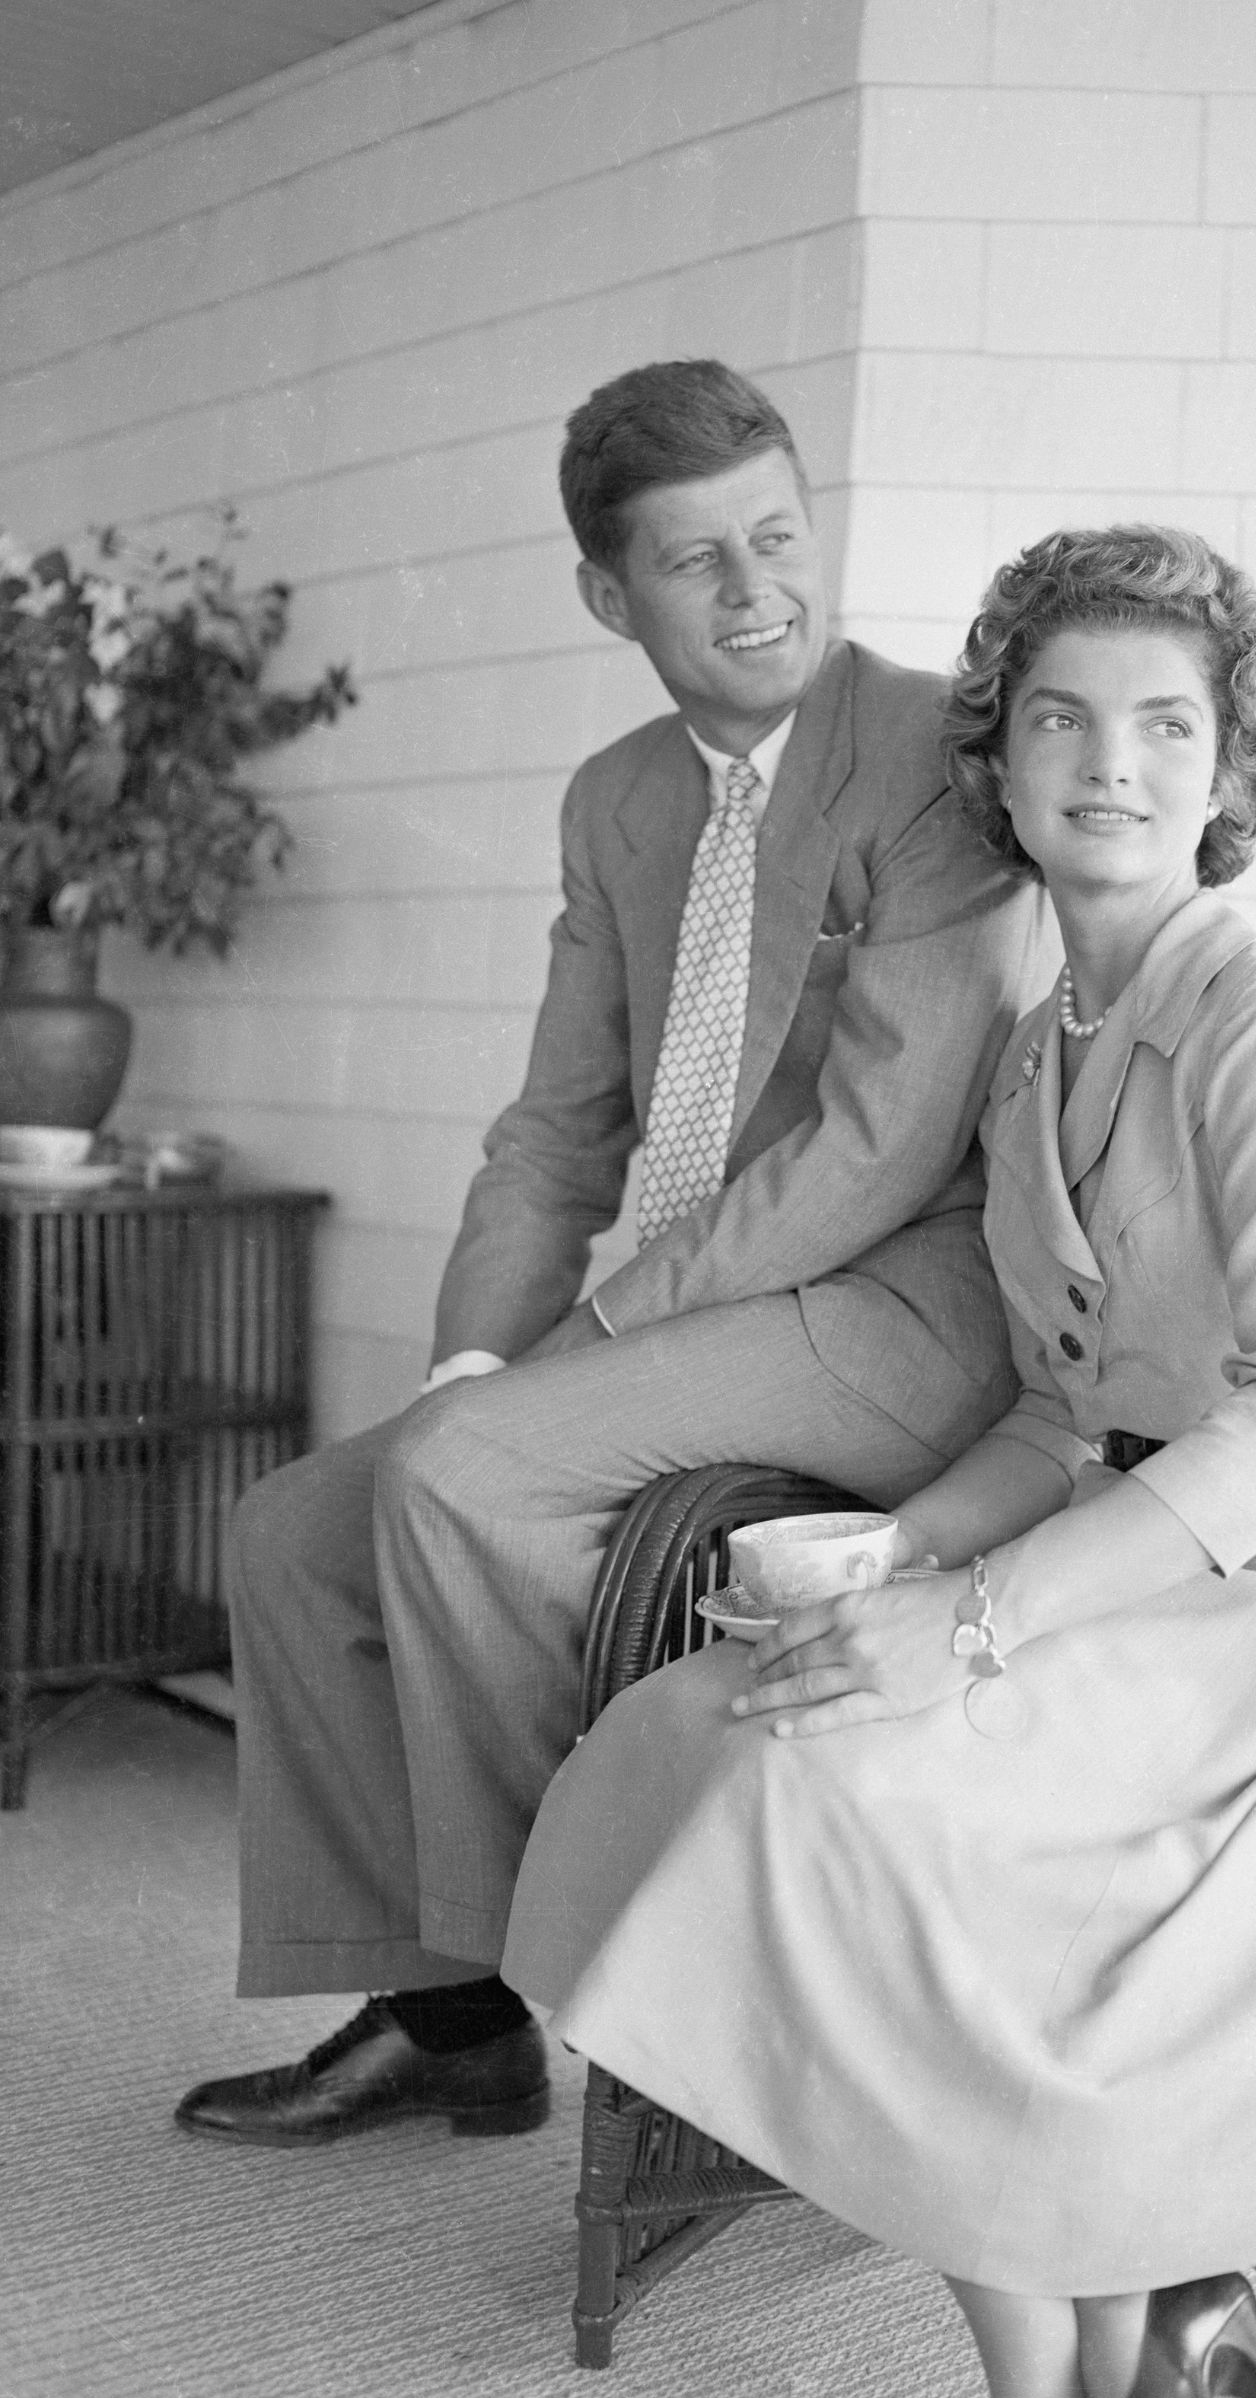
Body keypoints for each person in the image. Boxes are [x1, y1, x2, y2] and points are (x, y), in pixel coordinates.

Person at [502, 526, 1256, 2398]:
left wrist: (967, 1625)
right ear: (996, 767)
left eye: (1162, 724)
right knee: (730, 1722)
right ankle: (1098, 2348)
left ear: (1231, 775)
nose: (1107, 764)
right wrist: (894, 1551)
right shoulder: (1027, 1042)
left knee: (859, 1784)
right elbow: (1061, 1415)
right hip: (1086, 1550)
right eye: (1057, 720)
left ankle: (1086, 2348)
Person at [173, 361, 1050, 2149]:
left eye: (779, 537)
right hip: (679, 1303)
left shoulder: (932, 761)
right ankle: (453, 2015)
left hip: (900, 1303)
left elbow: (871, 1154)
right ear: (609, 596)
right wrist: (474, 1362)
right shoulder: (619, 798)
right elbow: (557, 1128)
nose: (756, 593)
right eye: (696, 561)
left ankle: (629, 1993)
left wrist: (576, 1347)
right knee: (294, 1532)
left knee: (470, 1480)